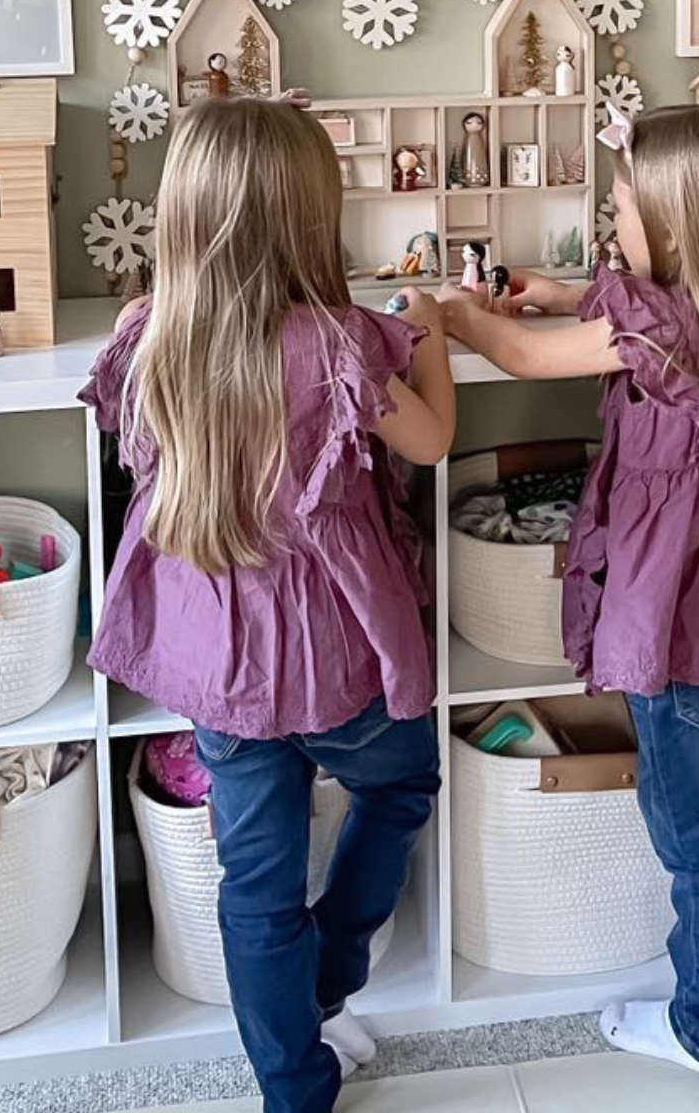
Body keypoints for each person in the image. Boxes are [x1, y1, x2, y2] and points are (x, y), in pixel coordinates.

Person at [440, 103, 699, 1074]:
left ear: (677, 228)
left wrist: (460, 317)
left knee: (690, 832)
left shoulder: (662, 331)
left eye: (620, 210)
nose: (613, 228)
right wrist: (562, 287)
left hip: (680, 634)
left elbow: (525, 357)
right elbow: (632, 315)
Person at [79, 97, 455, 1113]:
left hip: (220, 664)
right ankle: (328, 977)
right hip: (334, 652)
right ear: (308, 219)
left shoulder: (149, 337)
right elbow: (429, 444)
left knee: (254, 881)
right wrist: (430, 340)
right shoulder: (338, 344)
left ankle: (294, 1086)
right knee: (401, 785)